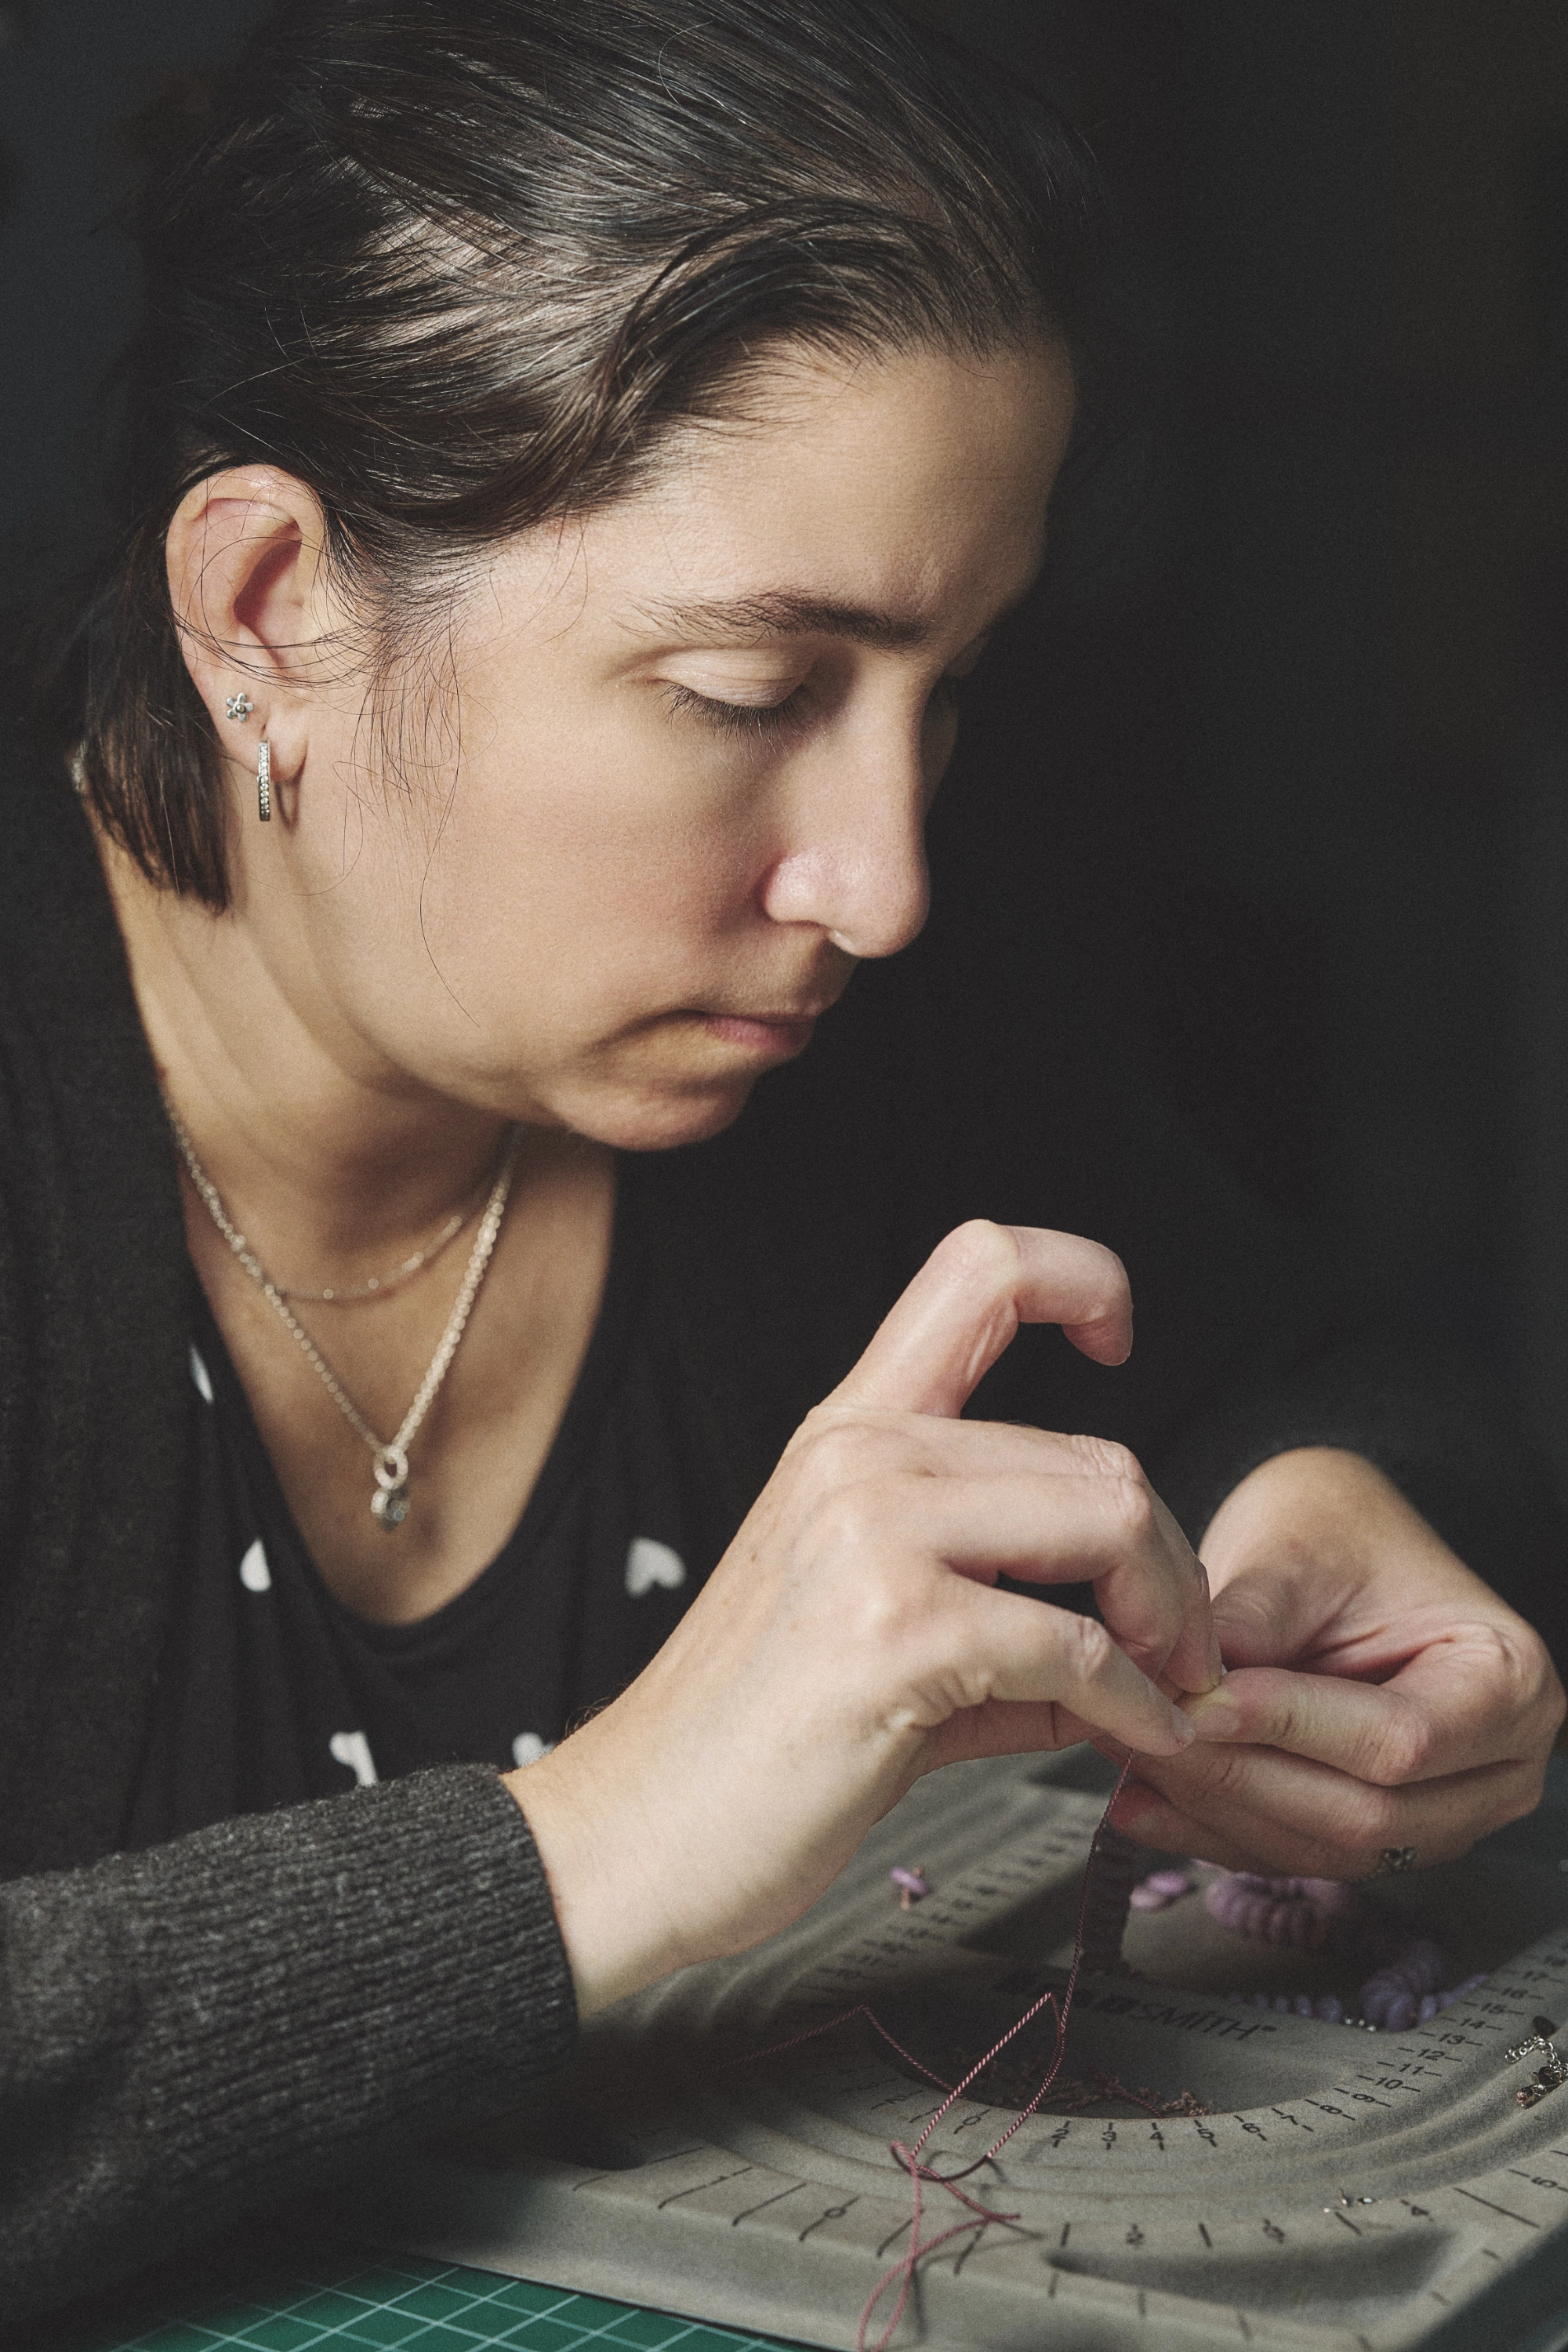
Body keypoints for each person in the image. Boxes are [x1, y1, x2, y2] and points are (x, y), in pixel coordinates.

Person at [2, 0, 1562, 2320]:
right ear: (268, 612)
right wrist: (602, 1841)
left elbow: (1313, 1353)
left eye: (956, 686)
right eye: (753, 695)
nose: (880, 878)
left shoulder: (865, 1035)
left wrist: (1322, 1507)